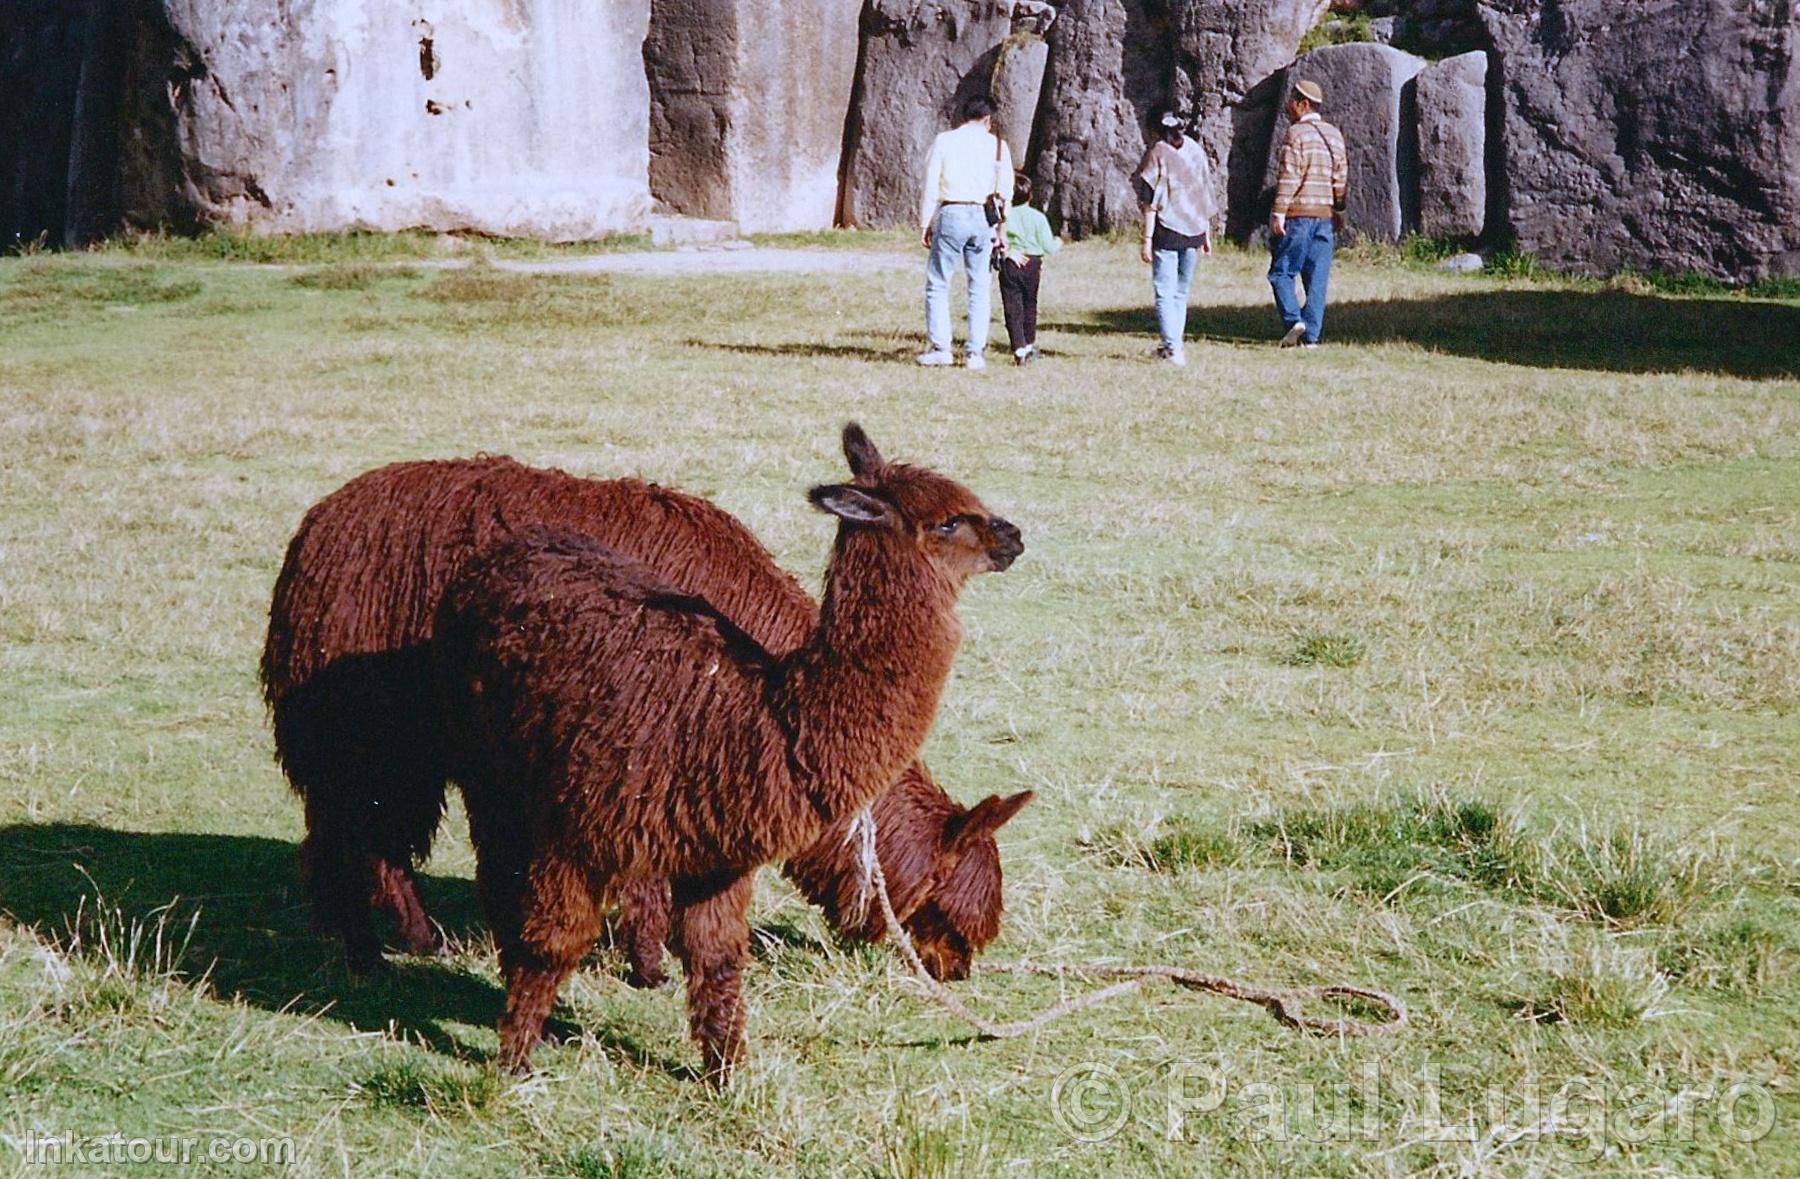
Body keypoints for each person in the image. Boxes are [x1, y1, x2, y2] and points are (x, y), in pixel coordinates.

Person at [917, 94, 1013, 370]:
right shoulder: (998, 146)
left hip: (952, 212)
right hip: (984, 216)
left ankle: (941, 348)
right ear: (987, 118)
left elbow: (931, 183)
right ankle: (974, 353)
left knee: (938, 282)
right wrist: (1001, 230)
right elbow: (1005, 191)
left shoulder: (945, 141)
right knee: (979, 285)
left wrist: (926, 222)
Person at [1268, 78, 1347, 348]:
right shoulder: (1334, 135)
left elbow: (1289, 176)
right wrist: (1339, 209)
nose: (1288, 106)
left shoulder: (1296, 134)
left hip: (1298, 215)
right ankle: (1311, 337)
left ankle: (1293, 321)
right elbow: (1340, 177)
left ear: (1303, 104)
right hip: (1324, 216)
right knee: (1317, 279)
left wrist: (1279, 212)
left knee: (1281, 272)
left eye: (1292, 101)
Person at [1135, 110, 1218, 367]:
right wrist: (1206, 232)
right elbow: (1204, 190)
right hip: (1194, 228)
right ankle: (1174, 344)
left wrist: (1146, 238)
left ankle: (1173, 348)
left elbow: (1149, 201)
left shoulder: (1157, 152)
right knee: (1181, 292)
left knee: (1164, 292)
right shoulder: (1195, 149)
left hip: (1167, 230)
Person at [998, 173, 1059, 365]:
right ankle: (1030, 343)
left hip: (1011, 262)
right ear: (1030, 196)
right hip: (1032, 263)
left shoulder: (1005, 216)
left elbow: (997, 237)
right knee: (1029, 304)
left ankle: (1018, 347)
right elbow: (1049, 246)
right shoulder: (1038, 217)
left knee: (1012, 305)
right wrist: (1058, 241)